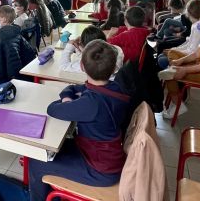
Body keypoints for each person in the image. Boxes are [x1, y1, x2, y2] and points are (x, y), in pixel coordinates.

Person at [29, 40, 130, 201]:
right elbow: (76, 88)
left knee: (36, 161)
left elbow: (53, 109)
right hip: (105, 157)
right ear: (114, 68)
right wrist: (69, 96)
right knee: (52, 149)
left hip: (99, 170)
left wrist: (66, 99)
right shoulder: (114, 87)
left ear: (82, 66)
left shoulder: (91, 103)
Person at [157, 0, 200, 70]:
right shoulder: (197, 25)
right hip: (191, 54)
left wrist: (175, 51)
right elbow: (188, 43)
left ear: (188, 12)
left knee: (162, 59)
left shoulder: (198, 27)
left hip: (194, 58)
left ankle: (170, 74)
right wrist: (174, 49)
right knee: (162, 55)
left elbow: (193, 50)